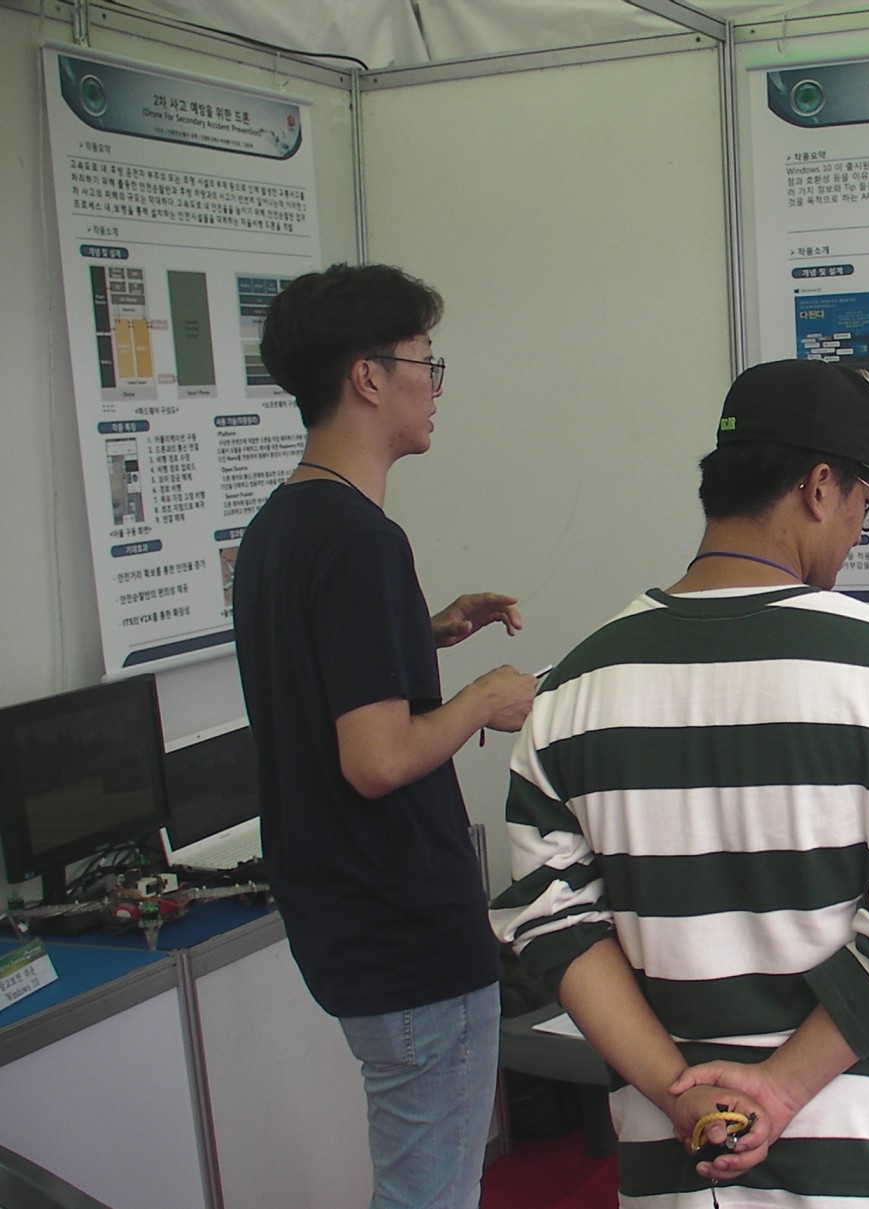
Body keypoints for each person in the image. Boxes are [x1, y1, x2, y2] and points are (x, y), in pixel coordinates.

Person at [490, 358, 869, 1207]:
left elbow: (552, 926)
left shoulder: (573, 689)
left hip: (682, 1161)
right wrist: (782, 1087)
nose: (857, 532)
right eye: (867, 504)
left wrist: (678, 1092)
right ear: (821, 487)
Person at [232, 263, 537, 1209]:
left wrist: (425, 630)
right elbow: (375, 758)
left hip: (342, 923)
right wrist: (482, 698)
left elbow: (324, 675)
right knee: (429, 1195)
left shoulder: (283, 525)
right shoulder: (363, 541)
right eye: (423, 364)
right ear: (368, 376)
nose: (433, 388)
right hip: (406, 934)